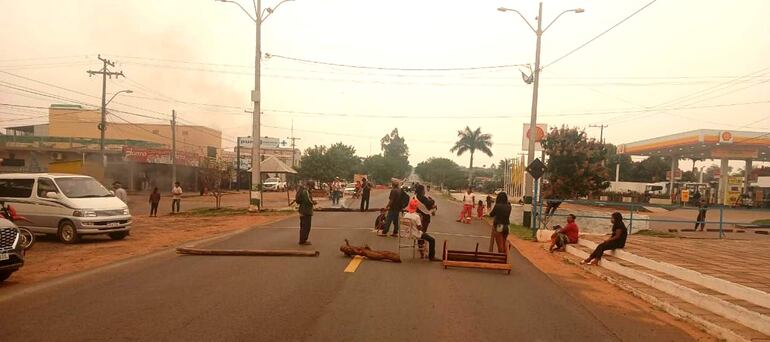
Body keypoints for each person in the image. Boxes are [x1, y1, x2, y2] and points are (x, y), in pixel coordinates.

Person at [414, 183, 437, 253]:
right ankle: (422, 247)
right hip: (424, 217)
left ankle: (420, 246)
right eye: (424, 190)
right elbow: (429, 204)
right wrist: (432, 201)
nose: (424, 191)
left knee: (420, 231)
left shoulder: (415, 197)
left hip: (417, 216)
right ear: (421, 191)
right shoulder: (423, 198)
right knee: (423, 232)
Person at [295, 180, 317, 245]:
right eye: (312, 187)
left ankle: (302, 239)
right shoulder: (305, 192)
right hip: (305, 211)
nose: (312, 189)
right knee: (306, 226)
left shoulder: (304, 191)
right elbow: (308, 201)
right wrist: (313, 202)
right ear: (309, 186)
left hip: (303, 210)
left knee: (303, 226)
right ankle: (303, 240)